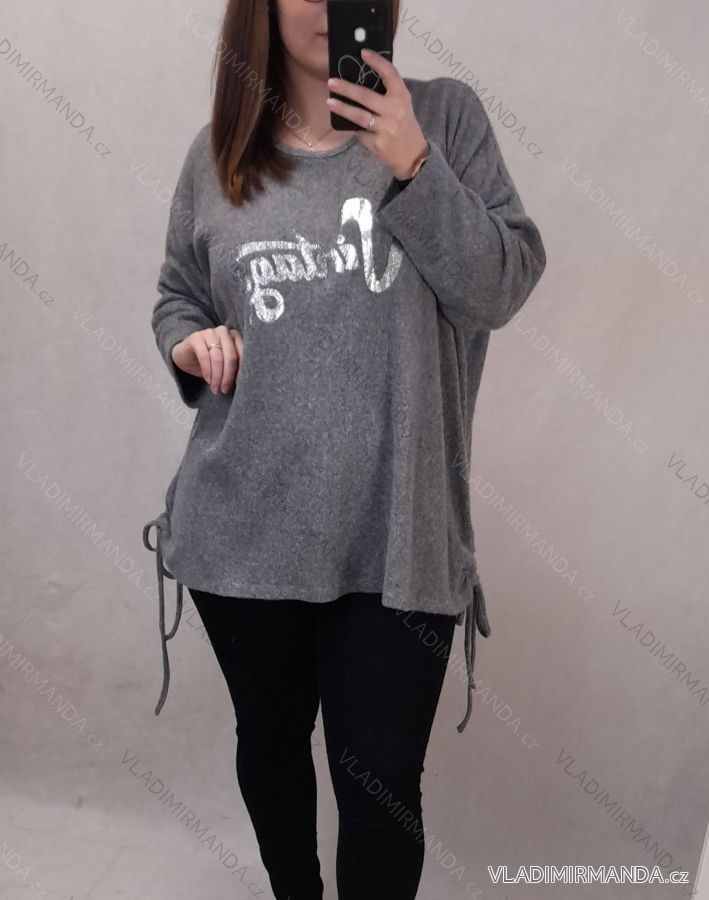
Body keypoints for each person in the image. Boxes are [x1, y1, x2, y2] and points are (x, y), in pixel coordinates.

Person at [141, 0, 547, 896]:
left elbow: (499, 287)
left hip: (398, 539)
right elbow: (179, 292)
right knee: (271, 745)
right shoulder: (218, 154)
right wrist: (188, 344)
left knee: (381, 792)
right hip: (242, 533)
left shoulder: (442, 120)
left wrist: (413, 167)